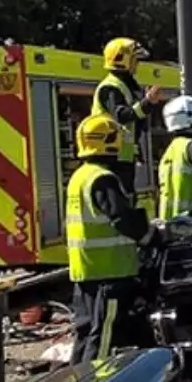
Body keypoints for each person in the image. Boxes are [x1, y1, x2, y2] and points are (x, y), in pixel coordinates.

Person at [66, 114, 162, 364]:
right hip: (109, 273)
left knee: (85, 333)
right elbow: (123, 219)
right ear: (110, 141)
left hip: (85, 272)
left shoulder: (80, 176)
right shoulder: (103, 179)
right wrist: (150, 236)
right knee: (103, 338)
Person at [91, 37, 163, 194]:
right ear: (122, 60)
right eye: (135, 60)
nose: (137, 65)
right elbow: (122, 115)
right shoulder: (110, 87)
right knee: (122, 196)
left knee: (128, 196)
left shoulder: (125, 85)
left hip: (121, 154)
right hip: (110, 155)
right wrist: (147, 103)